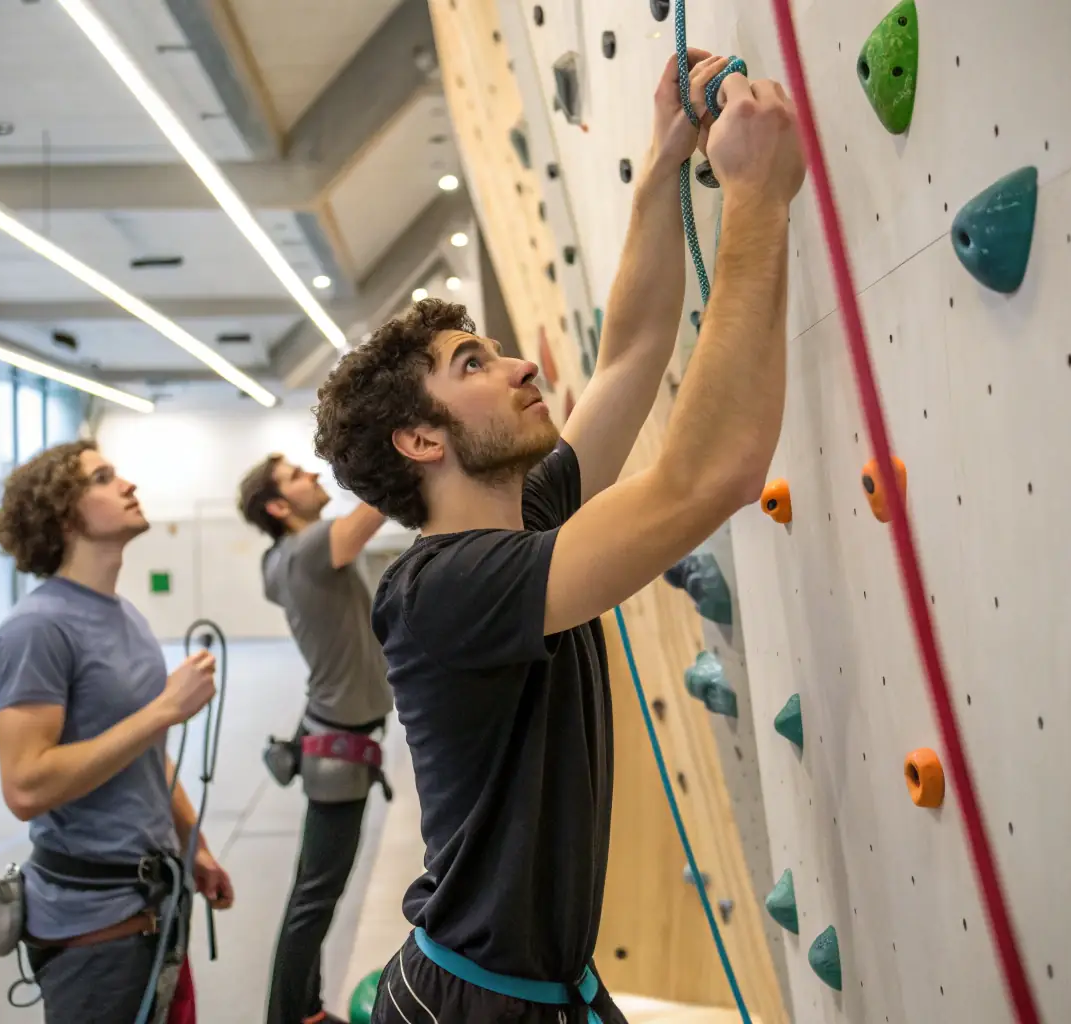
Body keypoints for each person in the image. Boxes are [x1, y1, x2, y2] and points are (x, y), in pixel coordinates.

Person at [310, 50, 805, 1024]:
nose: (518, 366)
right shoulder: (443, 587)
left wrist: (665, 166)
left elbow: (629, 351)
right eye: (474, 363)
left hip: (542, 989)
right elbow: (712, 475)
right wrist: (757, 200)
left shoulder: (525, 518)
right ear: (422, 439)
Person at [0, 439, 236, 1024]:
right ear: (63, 512)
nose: (128, 485)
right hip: (93, 926)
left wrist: (190, 842)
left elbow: (148, 753)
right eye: (103, 478)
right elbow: (25, 787)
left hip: (157, 903)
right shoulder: (37, 628)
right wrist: (163, 710)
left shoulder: (125, 615)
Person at [236, 454, 394, 1024]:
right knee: (316, 895)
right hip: (340, 741)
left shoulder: (278, 560)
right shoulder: (308, 547)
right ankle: (289, 1015)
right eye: (297, 477)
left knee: (315, 890)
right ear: (279, 507)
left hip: (329, 728)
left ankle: (304, 1009)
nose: (312, 476)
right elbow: (378, 506)